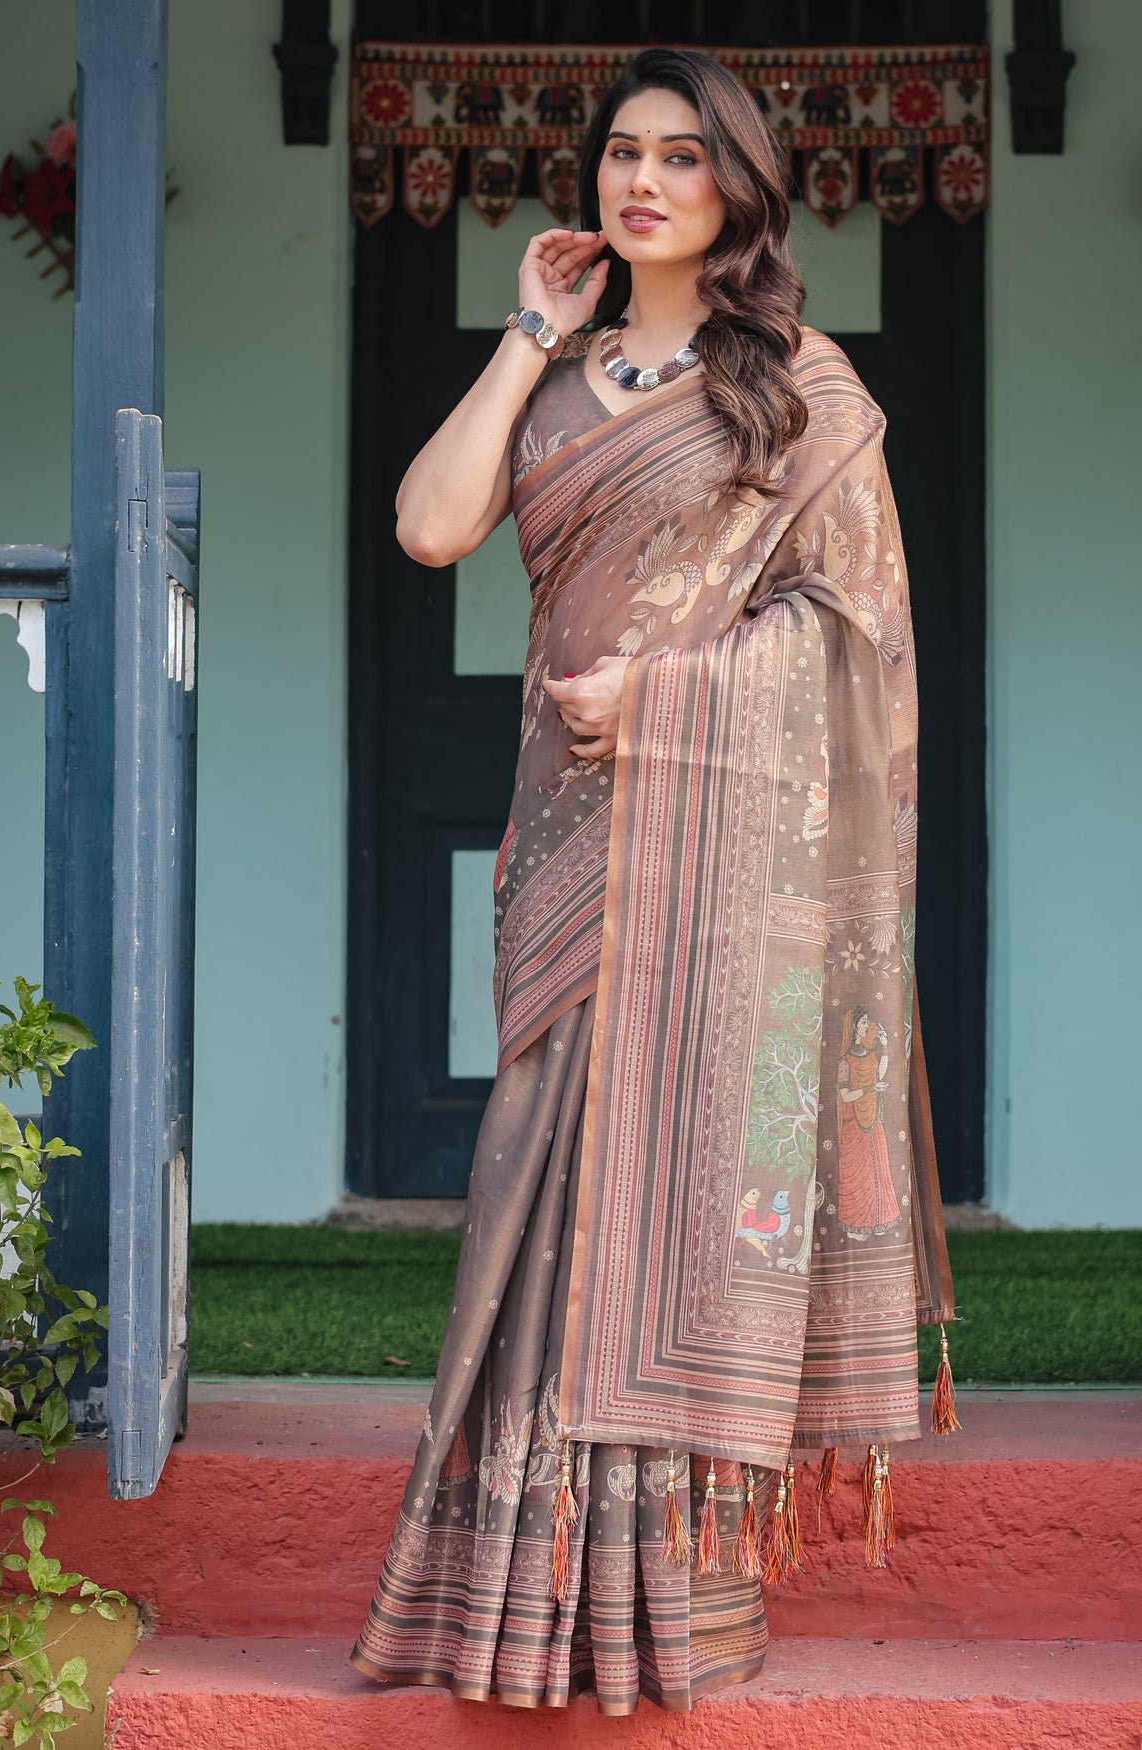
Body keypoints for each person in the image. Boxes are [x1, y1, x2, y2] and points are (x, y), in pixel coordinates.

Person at [350, 46, 955, 1716]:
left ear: (737, 191)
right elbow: (426, 524)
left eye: (685, 159)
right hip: (563, 837)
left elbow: (856, 637)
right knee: (535, 1178)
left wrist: (673, 702)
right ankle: (504, 1597)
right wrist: (524, 335)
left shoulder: (803, 390)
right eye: (623, 153)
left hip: (720, 846)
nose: (645, 181)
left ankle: (659, 1609)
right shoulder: (557, 377)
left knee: (673, 1188)